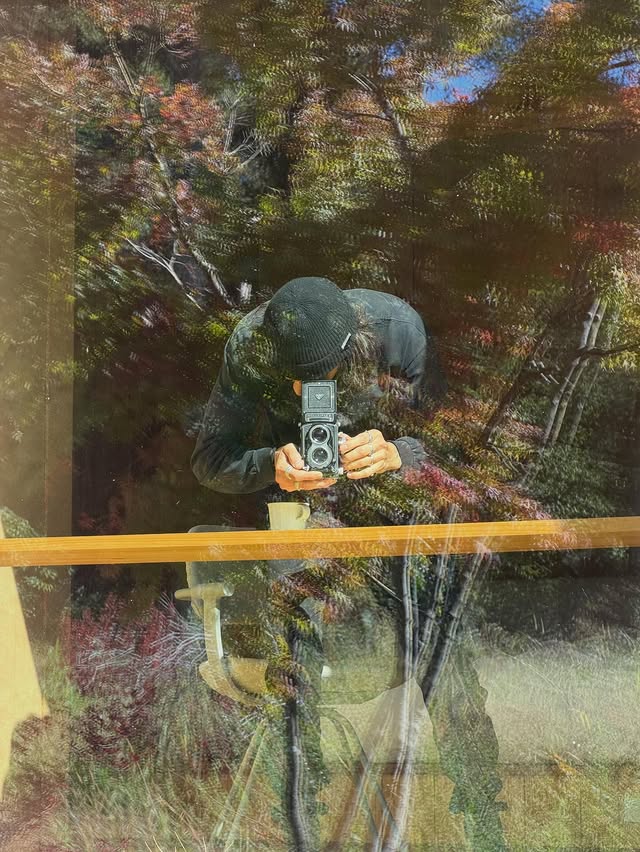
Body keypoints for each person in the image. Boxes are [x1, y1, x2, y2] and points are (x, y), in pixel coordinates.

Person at [191, 276, 446, 496]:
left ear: (352, 350)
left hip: (384, 508)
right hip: (288, 506)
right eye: (288, 375)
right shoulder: (249, 348)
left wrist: (397, 453)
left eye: (316, 378)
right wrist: (269, 465)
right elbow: (210, 462)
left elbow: (448, 448)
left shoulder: (399, 332)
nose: (298, 390)